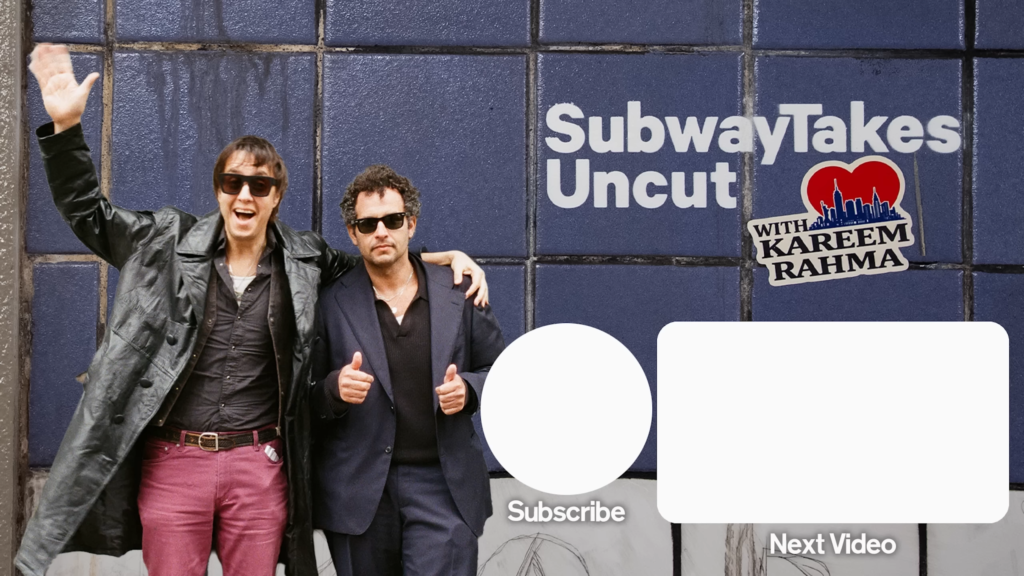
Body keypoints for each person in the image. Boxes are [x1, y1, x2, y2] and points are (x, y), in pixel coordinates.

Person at [17, 43, 489, 576]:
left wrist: (439, 258)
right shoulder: (164, 242)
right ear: (218, 190)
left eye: (259, 185)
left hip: (258, 464)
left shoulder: (306, 259)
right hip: (175, 459)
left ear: (276, 196)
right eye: (232, 182)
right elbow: (90, 214)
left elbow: (378, 254)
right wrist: (65, 131)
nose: (245, 194)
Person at [310, 164, 505, 576]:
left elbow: (502, 373)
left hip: (443, 484)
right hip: (359, 491)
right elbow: (301, 393)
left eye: (393, 220)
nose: (381, 231)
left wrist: (469, 390)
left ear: (410, 224)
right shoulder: (328, 301)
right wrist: (333, 390)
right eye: (367, 224)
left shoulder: (461, 290)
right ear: (352, 233)